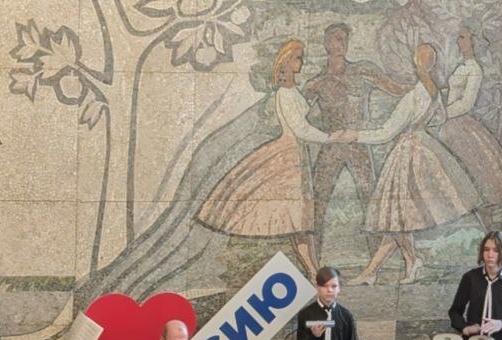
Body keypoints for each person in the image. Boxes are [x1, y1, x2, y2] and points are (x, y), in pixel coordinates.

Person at [197, 38, 352, 277]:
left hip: (297, 155)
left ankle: (314, 271)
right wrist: (331, 138)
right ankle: (314, 271)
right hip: (289, 158)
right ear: (287, 61)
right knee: (300, 222)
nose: (302, 62)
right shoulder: (285, 94)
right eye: (298, 58)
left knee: (302, 223)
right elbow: (300, 129)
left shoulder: (292, 91)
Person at [348, 44, 481, 286]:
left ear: (416, 62)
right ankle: (378, 270)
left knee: (397, 218)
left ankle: (403, 263)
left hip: (407, 155)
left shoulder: (414, 96)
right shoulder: (434, 94)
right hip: (424, 149)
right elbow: (439, 118)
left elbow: (385, 132)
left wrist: (354, 135)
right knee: (397, 219)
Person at [302, 24, 405, 249]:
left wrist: (425, 85)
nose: (343, 43)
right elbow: (297, 114)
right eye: (337, 38)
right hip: (331, 147)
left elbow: (395, 88)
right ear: (327, 43)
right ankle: (313, 256)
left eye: (345, 39)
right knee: (318, 201)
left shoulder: (361, 70)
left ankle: (376, 257)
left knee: (370, 200)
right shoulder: (317, 83)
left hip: (358, 145)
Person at [439, 25, 502, 229]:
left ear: (472, 41)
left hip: (461, 127)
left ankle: (489, 227)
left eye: (462, 37)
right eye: (459, 37)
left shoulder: (474, 70)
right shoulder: (462, 67)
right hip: (450, 125)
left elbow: (466, 103)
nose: (458, 41)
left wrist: (442, 113)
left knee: (476, 180)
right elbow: (452, 93)